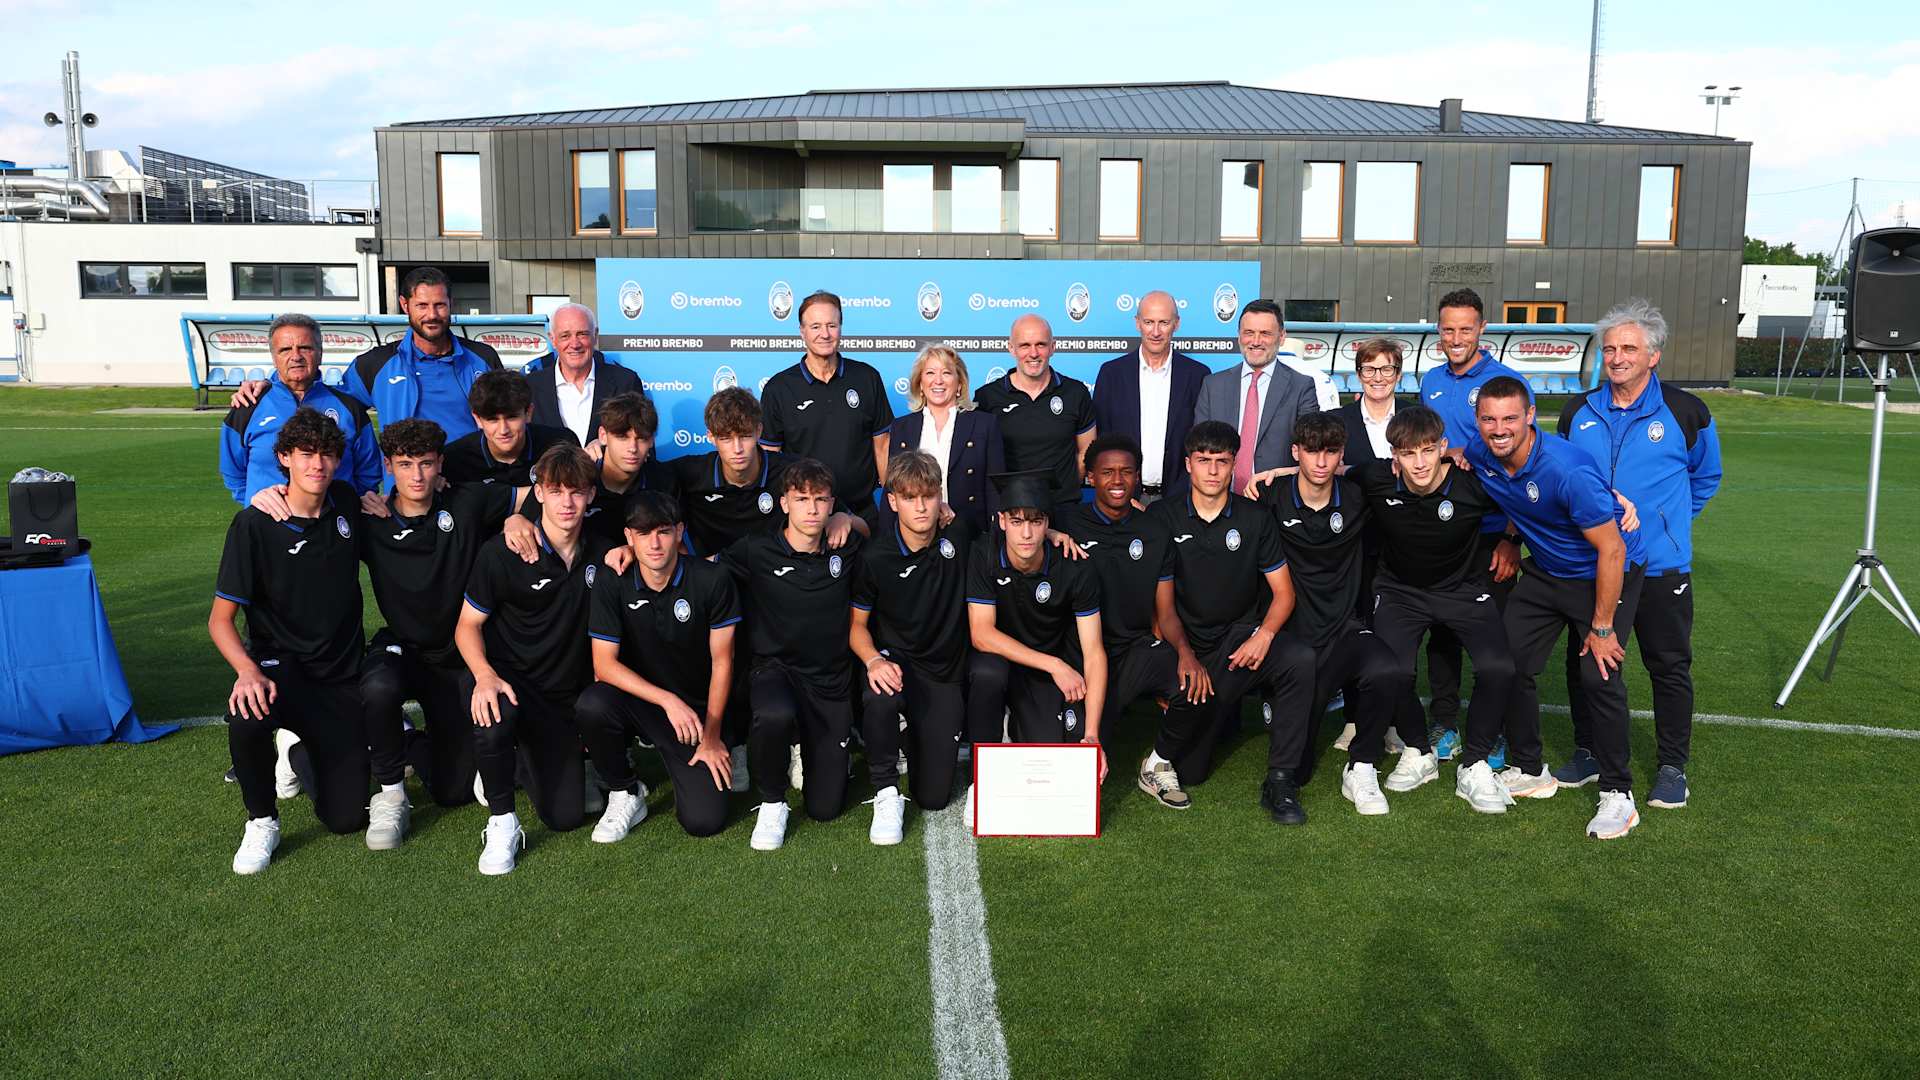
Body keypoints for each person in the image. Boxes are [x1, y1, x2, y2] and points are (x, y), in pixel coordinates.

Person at [1555, 299, 1721, 809]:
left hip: (1661, 568)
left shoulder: (1686, 411)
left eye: (1629, 348)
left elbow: (1705, 476)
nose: (1617, 357)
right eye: (1609, 349)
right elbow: (1563, 477)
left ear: (1654, 356)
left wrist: (1668, 527)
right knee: (1587, 660)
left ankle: (1672, 767)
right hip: (1594, 565)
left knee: (1667, 666)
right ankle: (1589, 750)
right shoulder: (1578, 411)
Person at [1468, 376, 1648, 840]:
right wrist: (1510, 539)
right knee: (1507, 663)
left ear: (1531, 416)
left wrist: (1602, 627)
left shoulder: (1567, 469)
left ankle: (1618, 792)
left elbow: (1612, 549)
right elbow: (1510, 493)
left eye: (1510, 418)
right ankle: (1531, 770)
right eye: (1489, 419)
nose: (1499, 429)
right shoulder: (1481, 454)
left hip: (1604, 572)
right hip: (1548, 571)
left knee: (1598, 673)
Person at [210, 408, 371, 873]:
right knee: (247, 712)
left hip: (339, 679)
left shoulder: (346, 502)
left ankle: (296, 753)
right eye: (305, 454)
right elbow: (220, 620)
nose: (317, 464)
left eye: (327, 454)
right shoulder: (254, 524)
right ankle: (262, 820)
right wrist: (246, 671)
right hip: (279, 670)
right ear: (284, 458)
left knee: (346, 819)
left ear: (338, 460)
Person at [357, 418, 533, 821]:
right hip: (406, 649)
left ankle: (410, 740)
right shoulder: (370, 520)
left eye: (425, 463)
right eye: (405, 465)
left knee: (453, 792)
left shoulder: (466, 501)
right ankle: (390, 792)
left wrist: (516, 517)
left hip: (460, 655)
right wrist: (270, 494)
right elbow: (314, 512)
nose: (416, 475)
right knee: (379, 685)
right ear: (388, 466)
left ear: (440, 464)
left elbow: (539, 495)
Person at [1344, 406, 1514, 811]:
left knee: (1499, 667)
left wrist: (1511, 540)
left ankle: (1474, 764)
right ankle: (1419, 750)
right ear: (1394, 457)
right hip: (1400, 592)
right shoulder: (1377, 479)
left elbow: (1528, 497)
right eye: (1408, 453)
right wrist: (1272, 475)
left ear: (1443, 447)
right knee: (1393, 671)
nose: (1419, 463)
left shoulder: (1472, 485)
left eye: (1427, 450)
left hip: (1461, 590)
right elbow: (1329, 472)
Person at [456, 443, 615, 874]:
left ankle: (516, 762)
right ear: (539, 493)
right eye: (557, 491)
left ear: (591, 495)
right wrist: (484, 675)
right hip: (509, 683)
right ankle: (502, 822)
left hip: (560, 698)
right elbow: (466, 625)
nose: (567, 503)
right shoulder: (502, 552)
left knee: (566, 817)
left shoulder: (603, 552)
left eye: (577, 492)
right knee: (491, 711)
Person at [1147, 421, 1315, 823]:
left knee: (1299, 659)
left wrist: (1264, 635)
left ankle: (1281, 780)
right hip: (1191, 647)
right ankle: (1203, 721)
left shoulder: (1254, 517)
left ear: (1234, 464)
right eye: (1203, 460)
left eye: (1222, 462)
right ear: (1188, 464)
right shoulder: (1163, 516)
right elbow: (1162, 609)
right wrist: (1181, 657)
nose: (1212, 471)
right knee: (1192, 770)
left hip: (1241, 644)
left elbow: (1284, 593)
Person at [1251, 413, 1408, 814]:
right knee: (1298, 768)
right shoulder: (1270, 497)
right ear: (1295, 452)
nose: (1321, 462)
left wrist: (1453, 455)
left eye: (1330, 452)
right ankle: (1280, 734)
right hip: (1293, 640)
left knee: (1386, 668)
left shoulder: (1357, 496)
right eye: (1311, 452)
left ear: (1341, 456)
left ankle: (1363, 765)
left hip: (1343, 631)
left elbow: (1404, 468)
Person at [717, 458, 868, 852]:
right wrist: (629, 552)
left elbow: (874, 534)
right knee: (774, 714)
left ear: (832, 503)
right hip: (776, 670)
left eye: (820, 500)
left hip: (831, 680)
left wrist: (851, 520)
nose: (812, 509)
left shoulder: (845, 546)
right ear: (784, 503)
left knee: (825, 808)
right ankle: (772, 801)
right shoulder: (756, 549)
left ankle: (809, 748)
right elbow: (704, 573)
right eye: (802, 499)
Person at [577, 491, 742, 841]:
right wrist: (667, 700)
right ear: (629, 537)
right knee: (593, 703)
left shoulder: (712, 579)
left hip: (695, 714)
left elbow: (723, 662)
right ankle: (625, 790)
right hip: (644, 704)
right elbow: (603, 665)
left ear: (679, 532)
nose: (654, 544)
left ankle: (723, 746)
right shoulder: (612, 579)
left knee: (704, 822)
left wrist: (712, 736)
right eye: (643, 533)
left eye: (663, 532)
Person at [1418, 288, 1525, 759]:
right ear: (1438, 331)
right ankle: (1444, 723)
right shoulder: (1431, 381)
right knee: (1442, 631)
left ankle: (1491, 728)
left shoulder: (1506, 382)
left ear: (1483, 329)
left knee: (1491, 636)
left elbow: (1524, 466)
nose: (1456, 338)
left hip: (1492, 531)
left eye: (1466, 328)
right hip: (1442, 530)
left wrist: (1511, 539)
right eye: (1448, 329)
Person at [1050, 436, 1182, 804]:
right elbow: (1018, 532)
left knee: (1195, 687)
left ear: (1138, 477)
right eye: (1107, 472)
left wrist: (1183, 655)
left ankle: (1156, 763)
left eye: (1126, 471)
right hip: (1080, 655)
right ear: (1090, 477)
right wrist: (1050, 532)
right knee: (1074, 757)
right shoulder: (1067, 521)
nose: (1118, 480)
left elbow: (1165, 611)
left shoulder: (1154, 531)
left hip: (1132, 651)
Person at [850, 451, 974, 839]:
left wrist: (1053, 533)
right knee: (879, 694)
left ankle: (912, 738)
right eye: (909, 497)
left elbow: (1017, 535)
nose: (920, 507)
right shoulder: (876, 557)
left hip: (943, 674)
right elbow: (856, 627)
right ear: (892, 501)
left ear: (940, 497)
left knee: (934, 798)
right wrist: (873, 661)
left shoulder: (960, 536)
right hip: (897, 667)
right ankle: (886, 790)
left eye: (928, 496)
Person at [966, 470, 1107, 775]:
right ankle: (982, 760)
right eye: (1017, 522)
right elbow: (981, 634)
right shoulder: (983, 553)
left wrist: (1092, 734)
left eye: (1036, 522)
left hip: (1045, 666)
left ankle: (1018, 721)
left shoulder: (1075, 566)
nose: (1027, 534)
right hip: (1006, 662)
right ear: (1002, 521)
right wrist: (1054, 665)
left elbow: (1094, 651)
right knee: (987, 673)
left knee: (1064, 763)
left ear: (1047, 523)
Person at [675, 387, 866, 557]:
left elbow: (862, 528)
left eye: (745, 436)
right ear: (710, 437)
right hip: (716, 577)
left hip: (778, 577)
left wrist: (844, 519)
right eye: (726, 439)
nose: (737, 449)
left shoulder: (792, 471)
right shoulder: (689, 474)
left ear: (759, 431)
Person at [759, 290, 895, 524]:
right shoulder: (779, 388)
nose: (825, 334)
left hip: (863, 512)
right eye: (815, 326)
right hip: (807, 516)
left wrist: (891, 507)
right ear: (802, 331)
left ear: (840, 328)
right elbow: (770, 459)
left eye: (832, 325)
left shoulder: (867, 377)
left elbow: (883, 446)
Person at [220, 313, 381, 508]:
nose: (296, 356)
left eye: (305, 348)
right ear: (274, 358)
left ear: (320, 353)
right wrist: (260, 506)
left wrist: (343, 507)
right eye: (285, 349)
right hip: (269, 521)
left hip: (334, 522)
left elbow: (368, 473)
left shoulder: (349, 407)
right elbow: (234, 475)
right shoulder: (248, 406)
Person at [1194, 299, 1321, 494]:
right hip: (1219, 500)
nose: (1255, 341)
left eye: (1265, 333)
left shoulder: (1301, 387)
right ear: (1239, 336)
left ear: (1282, 337)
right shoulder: (1213, 385)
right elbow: (1198, 448)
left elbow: (1312, 451)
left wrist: (1278, 474)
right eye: (1249, 333)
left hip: (1276, 499)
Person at [1091, 291, 1208, 503]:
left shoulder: (1197, 375)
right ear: (1137, 323)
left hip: (1180, 501)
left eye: (1164, 322)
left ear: (1176, 324)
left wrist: (1181, 494)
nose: (1155, 331)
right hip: (1124, 499)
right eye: (1148, 322)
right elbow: (1102, 440)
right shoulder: (1111, 374)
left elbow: (1201, 443)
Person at [972, 315, 1097, 499]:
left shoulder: (1076, 392)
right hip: (1010, 508)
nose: (1033, 353)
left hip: (1064, 507)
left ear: (1053, 347)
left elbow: (1087, 451)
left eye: (1041, 344)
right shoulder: (987, 397)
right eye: (1025, 345)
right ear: (1011, 348)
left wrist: (1067, 489)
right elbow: (979, 458)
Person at [885, 345, 1004, 532]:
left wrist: (995, 538)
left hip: (970, 533)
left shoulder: (985, 425)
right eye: (930, 373)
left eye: (947, 373)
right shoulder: (902, 427)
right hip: (915, 534)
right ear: (920, 383)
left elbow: (995, 490)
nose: (938, 380)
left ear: (959, 384)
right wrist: (886, 537)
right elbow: (893, 487)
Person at [523, 303, 643, 445]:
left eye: (582, 334)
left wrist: (606, 447)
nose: (575, 344)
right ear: (552, 339)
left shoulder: (626, 383)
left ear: (595, 335)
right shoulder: (530, 386)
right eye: (565, 336)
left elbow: (643, 444)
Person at [442, 369, 581, 487]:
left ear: (528, 413)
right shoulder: (454, 460)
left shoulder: (561, 445)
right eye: (493, 420)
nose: (503, 430)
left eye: (511, 417)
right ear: (477, 419)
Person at [1336, 338, 1408, 467]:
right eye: (1369, 370)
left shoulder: (1418, 418)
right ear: (1359, 375)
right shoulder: (1336, 421)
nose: (1378, 378)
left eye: (1387, 369)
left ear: (1398, 375)